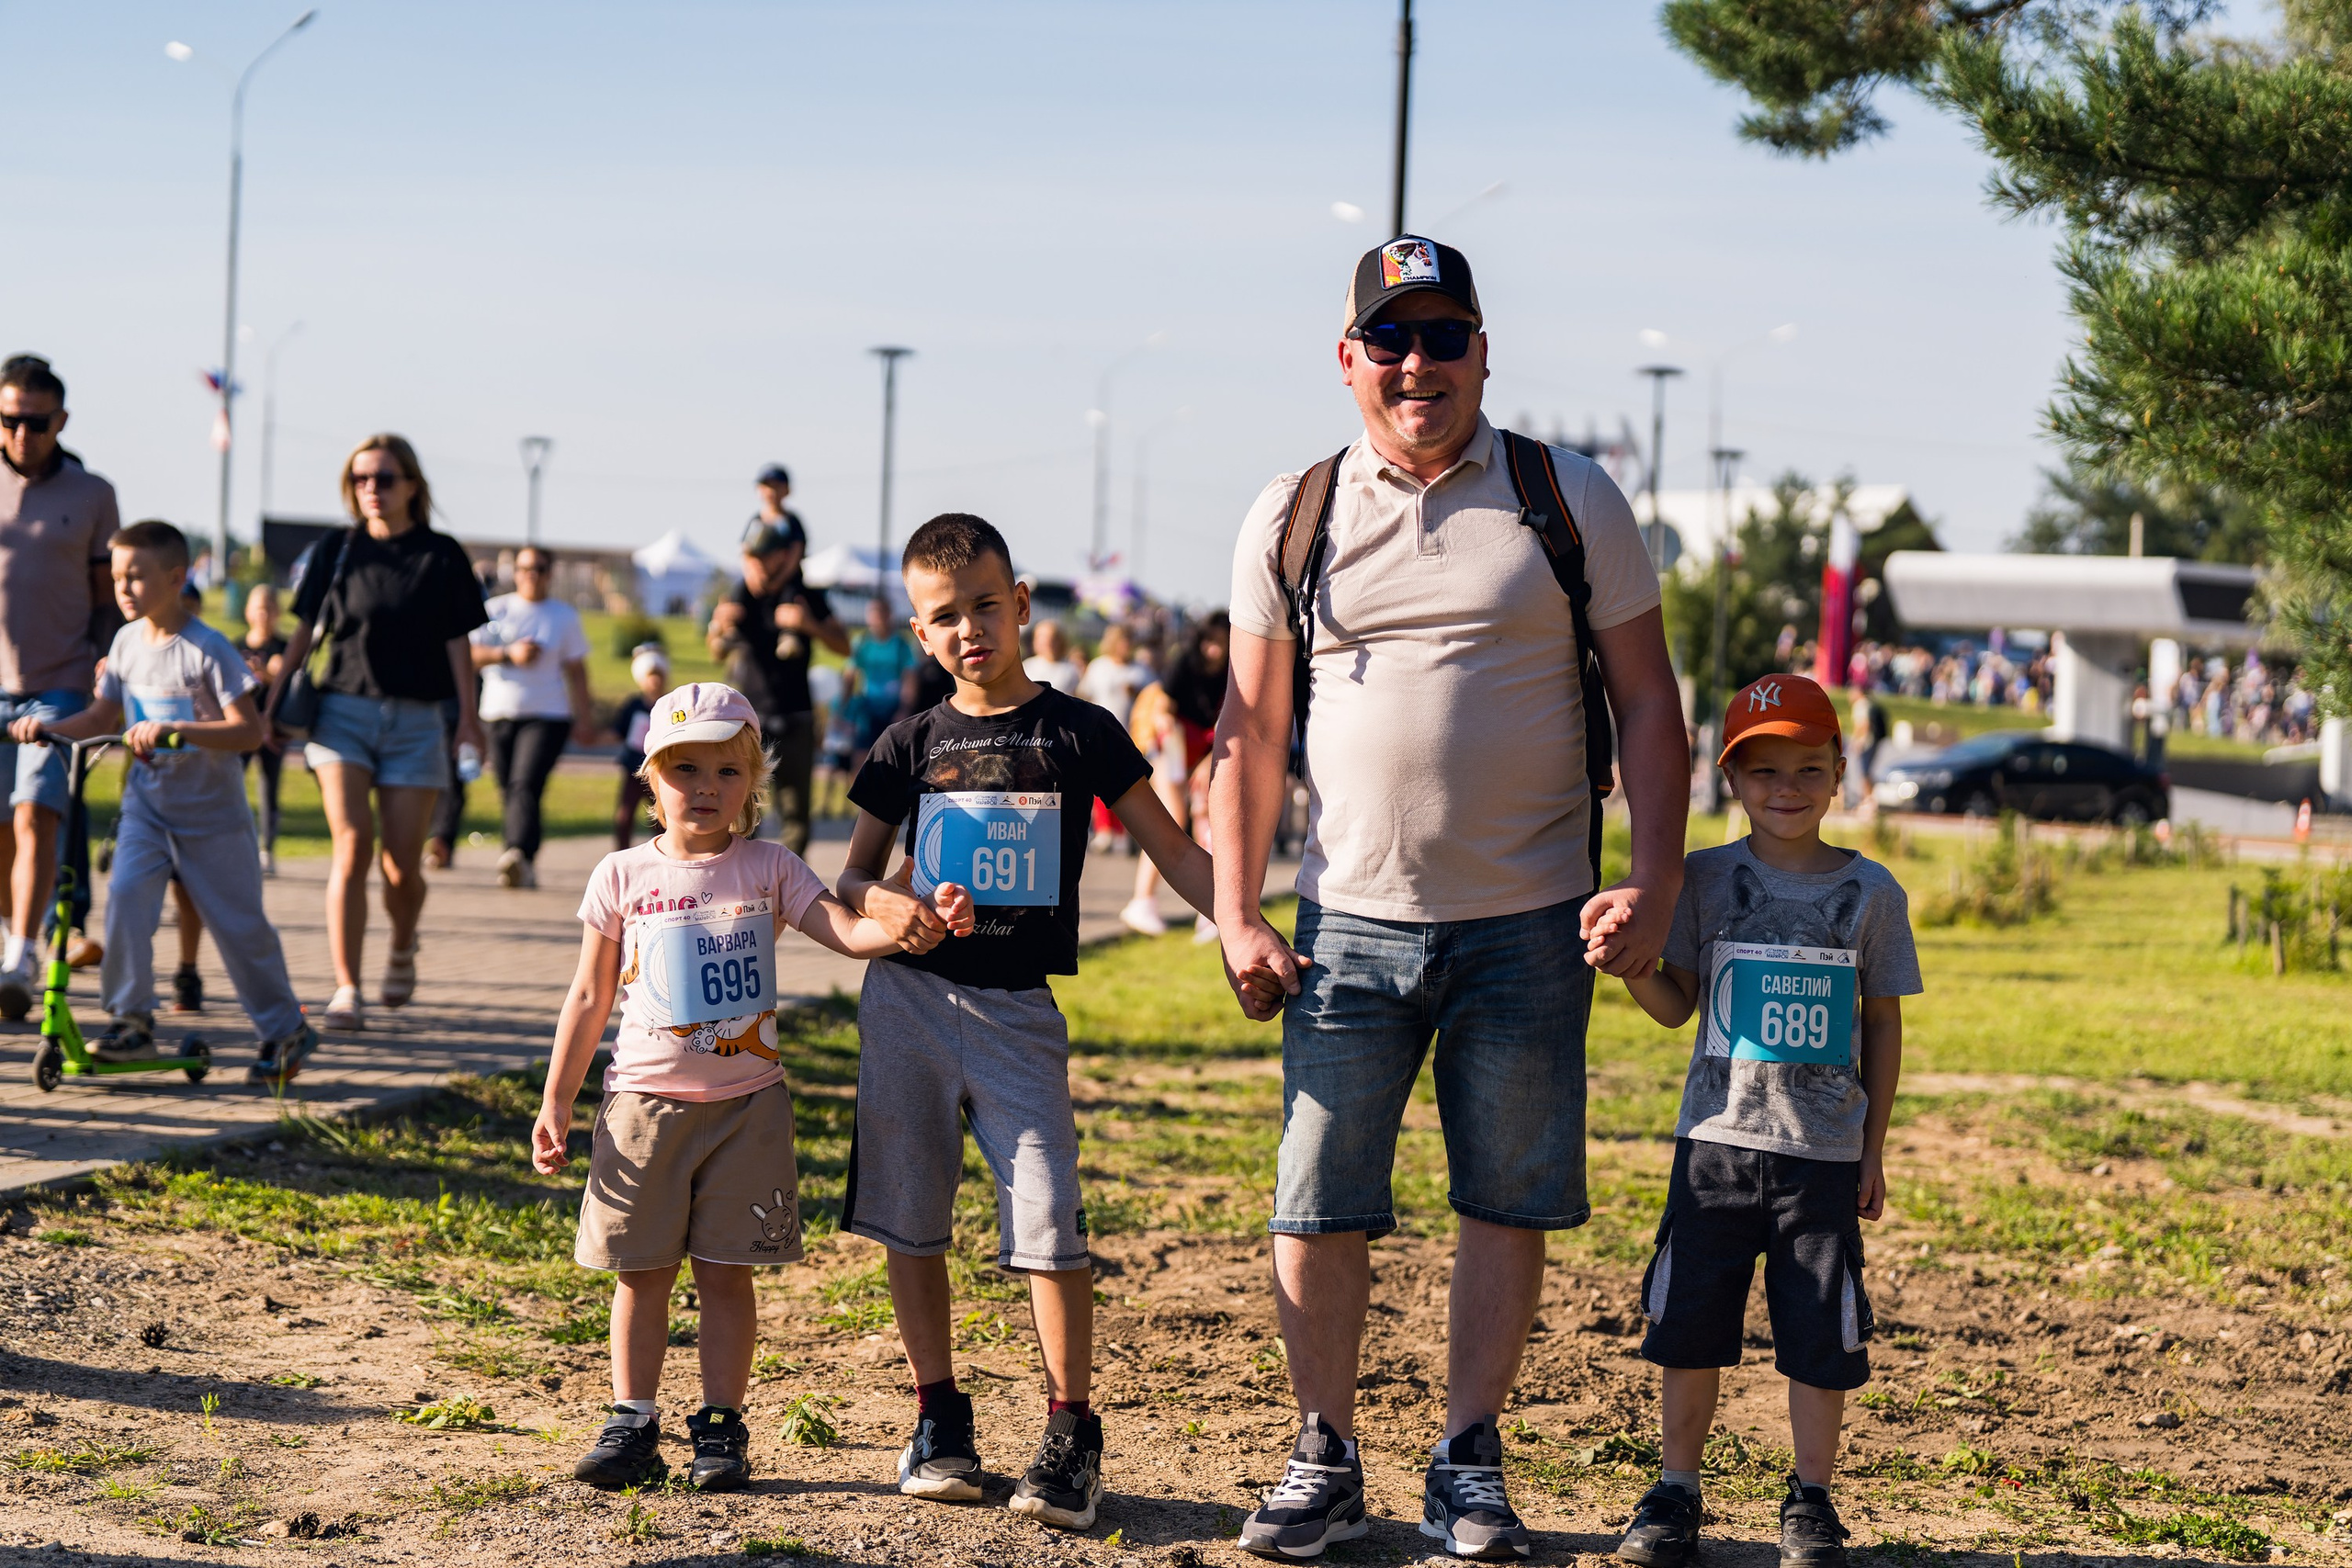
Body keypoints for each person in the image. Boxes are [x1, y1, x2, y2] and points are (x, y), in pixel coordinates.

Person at [1210, 237, 1689, 1561]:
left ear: (1485, 348)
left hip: (1532, 918)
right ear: (1351, 357)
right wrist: (1236, 910)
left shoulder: (1567, 494)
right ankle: (1324, 1449)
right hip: (1345, 926)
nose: (1420, 365)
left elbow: (1651, 704)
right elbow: (1246, 729)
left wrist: (1650, 877)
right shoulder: (1292, 511)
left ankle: (1467, 1454)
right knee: (1317, 1195)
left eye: (1446, 337)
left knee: (1506, 1195)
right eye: (1394, 340)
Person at [836, 513, 1276, 1532]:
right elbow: (853, 872)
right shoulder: (907, 743)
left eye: (986, 606)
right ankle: (938, 1418)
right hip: (906, 1001)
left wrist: (1243, 926)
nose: (969, 630)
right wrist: (882, 906)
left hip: (1017, 1018)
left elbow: (1171, 853)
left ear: (1022, 603)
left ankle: (1070, 1431)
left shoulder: (1079, 733)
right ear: (919, 633)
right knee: (911, 1216)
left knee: (1047, 1223)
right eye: (944, 617)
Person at [531, 681, 968, 1493]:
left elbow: (842, 930)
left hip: (747, 1111)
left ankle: (721, 1426)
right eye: (684, 768)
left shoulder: (769, 865)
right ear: (651, 780)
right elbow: (589, 995)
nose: (705, 787)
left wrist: (908, 923)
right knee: (642, 1274)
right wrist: (558, 1097)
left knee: (727, 1273)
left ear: (753, 783)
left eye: (727, 772)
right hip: (641, 1110)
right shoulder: (619, 874)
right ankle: (632, 1419)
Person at [1599, 674, 1917, 1568]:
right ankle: (1674, 1491)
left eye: (1808, 769)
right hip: (1714, 1150)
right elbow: (1673, 1006)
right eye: (1764, 770)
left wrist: (1872, 1147)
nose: (1787, 788)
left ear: (1839, 773)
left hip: (1819, 1160)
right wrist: (1629, 965)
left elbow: (1884, 1022)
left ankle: (1810, 1502)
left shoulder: (1872, 894)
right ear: (1731, 779)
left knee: (1819, 1334)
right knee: (1690, 1325)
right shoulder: (1704, 880)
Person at [12, 522, 318, 1080]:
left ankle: (284, 1029)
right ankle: (131, 1023)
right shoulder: (126, 643)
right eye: (117, 577)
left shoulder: (208, 649)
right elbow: (102, 718)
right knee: (126, 900)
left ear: (176, 578)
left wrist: (180, 728)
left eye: (136, 576)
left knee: (239, 925)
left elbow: (248, 732)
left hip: (214, 819)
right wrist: (46, 727)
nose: (123, 588)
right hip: (147, 811)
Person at [273, 435, 488, 1032]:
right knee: (352, 845)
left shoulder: (441, 554)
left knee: (401, 865)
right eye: (362, 478)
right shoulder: (337, 549)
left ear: (412, 485)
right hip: (341, 713)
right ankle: (347, 987)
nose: (373, 488)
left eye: (386, 477)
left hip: (419, 721)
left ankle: (402, 940)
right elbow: (304, 627)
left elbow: (458, 641)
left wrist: (468, 717)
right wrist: (275, 695)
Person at [0, 354, 119, 1016]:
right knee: (0, 826)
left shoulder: (92, 493)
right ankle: (11, 937)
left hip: (62, 682)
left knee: (36, 814)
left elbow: (106, 596)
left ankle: (22, 956)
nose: (22, 435)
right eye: (9, 420)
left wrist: (103, 660)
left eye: (36, 422)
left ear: (61, 420)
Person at [707, 518, 847, 855]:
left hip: (796, 716)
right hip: (747, 719)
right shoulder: (740, 598)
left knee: (796, 812)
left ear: (782, 557)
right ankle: (743, 886)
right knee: (742, 808)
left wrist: (808, 624)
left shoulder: (804, 595)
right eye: (751, 557)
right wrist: (718, 625)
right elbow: (716, 652)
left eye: (764, 556)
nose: (757, 564)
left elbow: (844, 646)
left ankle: (792, 894)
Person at [470, 545, 595, 890]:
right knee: (510, 788)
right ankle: (523, 861)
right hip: (498, 713)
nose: (532, 574)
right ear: (516, 571)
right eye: (525, 568)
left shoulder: (563, 616)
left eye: (539, 568)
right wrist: (508, 654)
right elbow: (468, 655)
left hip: (548, 715)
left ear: (550, 573)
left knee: (525, 783)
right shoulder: (495, 609)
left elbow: (577, 670)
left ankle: (516, 852)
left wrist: (585, 719)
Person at [239, 582, 289, 876]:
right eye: (259, 608)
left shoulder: (284, 647)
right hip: (241, 729)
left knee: (270, 790)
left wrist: (268, 675)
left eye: (269, 609)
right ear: (248, 612)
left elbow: (285, 678)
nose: (263, 614)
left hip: (274, 731)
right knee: (232, 783)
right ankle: (236, 846)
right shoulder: (234, 645)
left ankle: (267, 849)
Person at [847, 593, 918, 770]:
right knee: (862, 753)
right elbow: (850, 674)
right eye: (872, 614)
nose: (876, 619)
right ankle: (859, 794)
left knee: (894, 756)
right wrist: (846, 707)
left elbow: (910, 677)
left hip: (893, 709)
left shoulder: (901, 644)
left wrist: (905, 708)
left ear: (889, 615)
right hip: (868, 707)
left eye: (880, 614)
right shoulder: (862, 642)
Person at [610, 642, 667, 850]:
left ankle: (664, 854)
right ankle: (621, 854)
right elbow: (618, 733)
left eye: (658, 676)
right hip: (633, 770)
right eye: (650, 677)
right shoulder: (633, 706)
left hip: (659, 771)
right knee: (624, 816)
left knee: (661, 820)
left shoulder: (668, 707)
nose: (654, 682)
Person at [1023, 619, 1082, 695]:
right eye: (1041, 637)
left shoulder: (1071, 669)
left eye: (1050, 638)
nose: (1046, 642)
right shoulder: (1028, 666)